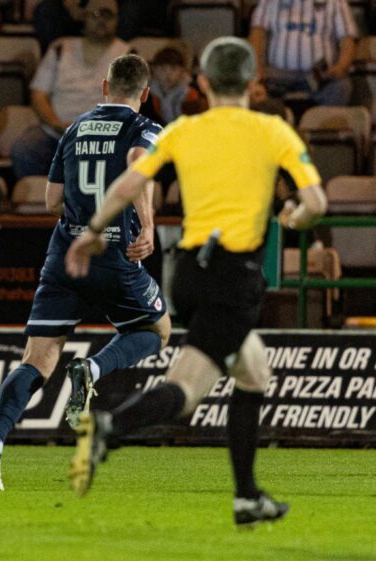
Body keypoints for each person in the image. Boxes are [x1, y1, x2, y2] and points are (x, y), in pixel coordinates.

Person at [65, 37, 328, 528]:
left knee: (254, 374)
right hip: (235, 276)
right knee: (187, 389)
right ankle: (109, 427)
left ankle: (247, 498)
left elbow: (131, 180)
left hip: (187, 273)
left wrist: (95, 230)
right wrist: (293, 219)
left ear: (202, 83)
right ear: (253, 83)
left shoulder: (183, 129)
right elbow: (316, 204)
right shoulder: (274, 130)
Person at [0, 54, 170, 492]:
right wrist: (149, 224)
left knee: (38, 359)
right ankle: (94, 370)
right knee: (158, 329)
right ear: (145, 94)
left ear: (104, 87)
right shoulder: (145, 127)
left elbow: (51, 202)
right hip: (115, 251)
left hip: (64, 255)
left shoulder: (74, 129)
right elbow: (140, 163)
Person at [11, 0, 130, 179]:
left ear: (117, 19)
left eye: (108, 15)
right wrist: (54, 123)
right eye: (96, 14)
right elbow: (38, 94)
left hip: (103, 136)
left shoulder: (127, 54)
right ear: (84, 17)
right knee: (25, 149)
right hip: (56, 132)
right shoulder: (60, 48)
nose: (102, 21)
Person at [248, 0, 357, 106]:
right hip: (277, 76)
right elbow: (257, 33)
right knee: (254, 87)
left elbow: (347, 39)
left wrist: (341, 66)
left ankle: (319, 123)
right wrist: (257, 68)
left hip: (318, 76)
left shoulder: (336, 2)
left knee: (341, 86)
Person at [149, 47, 207, 124]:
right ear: (154, 70)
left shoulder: (191, 95)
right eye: (162, 69)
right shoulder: (147, 95)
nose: (168, 75)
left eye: (174, 69)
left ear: (182, 71)